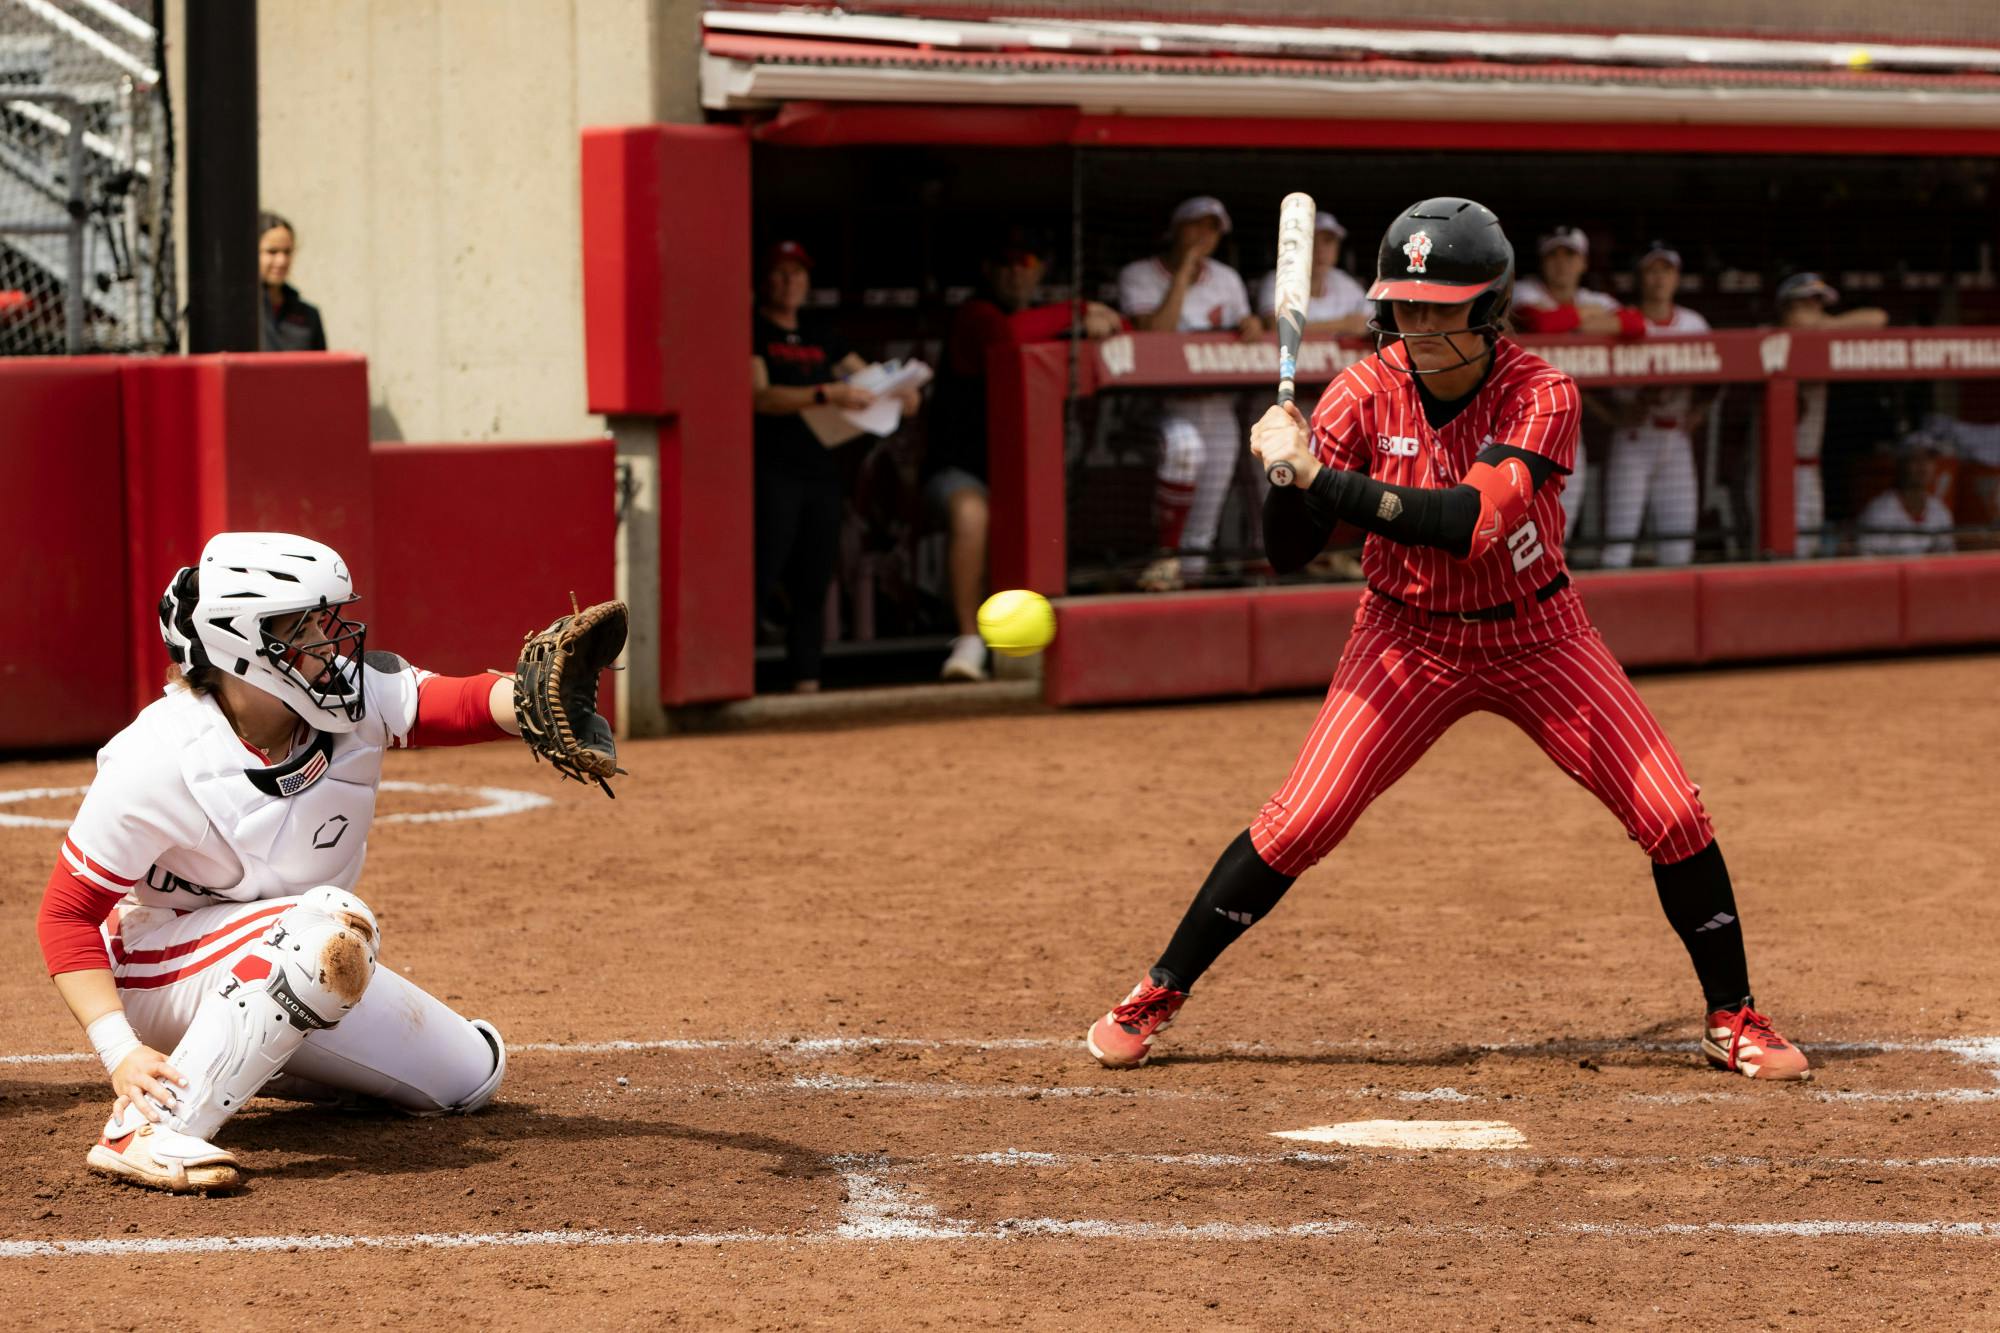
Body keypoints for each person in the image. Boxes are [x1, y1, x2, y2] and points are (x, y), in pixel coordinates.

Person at [1085, 198, 1810, 1085]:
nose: (1422, 325)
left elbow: (1467, 522)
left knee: (1671, 810)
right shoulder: (1359, 390)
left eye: (1445, 307)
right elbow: (1287, 549)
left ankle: (1731, 1013)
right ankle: (1158, 989)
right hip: (1403, 637)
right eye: (1409, 306)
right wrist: (1285, 472)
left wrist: (1323, 475)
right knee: (1301, 821)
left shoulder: (1542, 391)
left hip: (1539, 634)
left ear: (1489, 306)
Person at [36, 531, 622, 1193]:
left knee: (469, 1076)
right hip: (156, 970)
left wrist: (526, 698)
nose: (326, 639)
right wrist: (119, 1049)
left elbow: (451, 703)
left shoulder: (345, 692)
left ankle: (251, 1052)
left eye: (323, 618)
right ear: (243, 644)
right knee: (329, 927)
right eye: (301, 626)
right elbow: (65, 915)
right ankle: (147, 1129)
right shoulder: (158, 755)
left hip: (283, 951)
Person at [929, 227, 1122, 682]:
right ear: (989, 270)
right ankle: (968, 641)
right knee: (972, 514)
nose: (1018, 274)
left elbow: (1127, 327)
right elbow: (1004, 336)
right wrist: (1079, 311)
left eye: (1028, 264)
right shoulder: (975, 314)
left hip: (1023, 475)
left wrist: (1099, 318)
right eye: (1008, 264)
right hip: (959, 468)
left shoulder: (1048, 317)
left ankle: (1053, 649)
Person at [751, 240, 921, 692]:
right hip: (770, 469)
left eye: (797, 274)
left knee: (815, 575)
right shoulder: (754, 330)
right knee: (764, 572)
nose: (789, 283)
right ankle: (740, 679)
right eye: (780, 273)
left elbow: (869, 378)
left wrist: (902, 392)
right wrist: (827, 392)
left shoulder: (818, 332)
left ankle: (807, 681)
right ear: (763, 280)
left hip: (819, 469)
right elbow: (760, 396)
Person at [1117, 196, 1264, 591]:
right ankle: (1164, 558)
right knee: (1184, 448)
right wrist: (1182, 272)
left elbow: (1246, 335)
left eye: (1213, 228)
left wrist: (1250, 325)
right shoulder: (1139, 274)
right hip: (1159, 407)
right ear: (1175, 229)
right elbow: (1155, 333)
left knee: (1203, 530)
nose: (1204, 236)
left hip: (1215, 405)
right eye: (1196, 225)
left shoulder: (1227, 279)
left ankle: (1187, 580)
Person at [1512, 227, 1645, 535]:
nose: (1561, 264)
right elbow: (1542, 322)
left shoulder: (1591, 298)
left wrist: (1572, 314)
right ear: (1542, 262)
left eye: (1569, 255)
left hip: (1566, 427)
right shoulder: (1526, 290)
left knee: (1560, 527)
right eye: (1553, 256)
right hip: (1520, 421)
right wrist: (1587, 318)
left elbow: (1635, 324)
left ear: (1583, 263)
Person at [1599, 243, 1712, 568]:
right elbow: (1581, 370)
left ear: (1676, 278)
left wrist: (1700, 411)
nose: (1660, 278)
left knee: (1678, 549)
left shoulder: (1694, 324)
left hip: (1676, 440)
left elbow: (1718, 380)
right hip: (1633, 439)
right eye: (1652, 270)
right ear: (1640, 277)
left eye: (1667, 270)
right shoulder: (1621, 322)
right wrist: (1611, 414)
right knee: (1617, 548)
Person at [1776, 273, 1889, 558]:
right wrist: (1819, 326)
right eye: (1808, 304)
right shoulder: (1770, 337)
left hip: (1809, 468)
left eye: (1820, 305)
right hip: (1775, 468)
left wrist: (1826, 325)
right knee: (1781, 551)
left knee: (1809, 547)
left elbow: (1879, 318)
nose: (1816, 312)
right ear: (1788, 308)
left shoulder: (1822, 335)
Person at [1255, 210, 1369, 337]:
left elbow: (1372, 323)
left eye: (1327, 241)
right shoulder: (1277, 280)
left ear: (1337, 248)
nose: (1320, 250)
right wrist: (1343, 325)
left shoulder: (1345, 283)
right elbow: (1278, 328)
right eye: (1311, 241)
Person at [1856, 434, 1955, 556]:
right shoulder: (1880, 512)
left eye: (1929, 458)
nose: (1922, 465)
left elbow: (1946, 560)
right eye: (1914, 458)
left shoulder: (1939, 511)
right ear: (1901, 464)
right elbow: (1866, 564)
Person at [257, 212, 327, 352]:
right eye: (272, 252)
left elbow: (322, 371)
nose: (281, 261)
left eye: (287, 252)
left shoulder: (309, 316)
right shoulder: (238, 313)